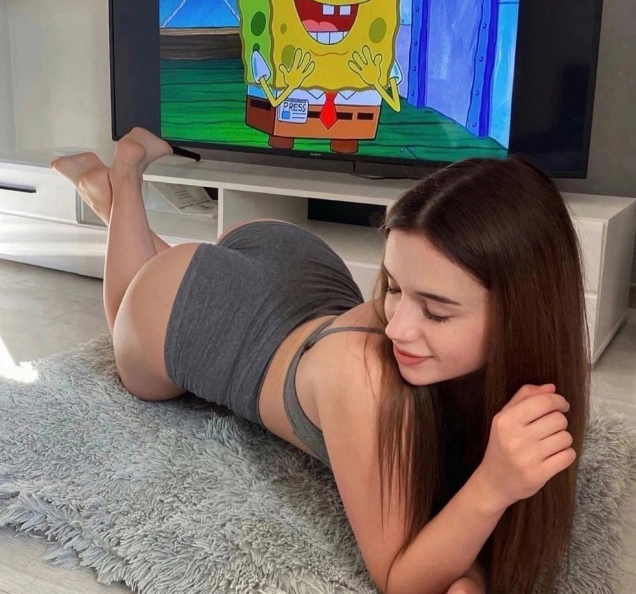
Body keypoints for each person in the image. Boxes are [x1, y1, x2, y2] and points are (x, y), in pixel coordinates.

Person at [51, 127, 589, 594]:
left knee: (166, 279)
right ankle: (124, 180)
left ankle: (112, 200)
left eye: (436, 311)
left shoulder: (519, 367)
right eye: (393, 286)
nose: (397, 327)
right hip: (193, 304)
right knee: (134, 341)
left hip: (295, 266)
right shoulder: (366, 378)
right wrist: (493, 485)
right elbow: (400, 578)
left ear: (525, 313)